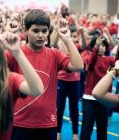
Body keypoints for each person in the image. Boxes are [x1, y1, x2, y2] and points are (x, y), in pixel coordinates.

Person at [6, 9, 83, 140]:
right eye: (35, 31)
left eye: (44, 31)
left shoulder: (54, 54)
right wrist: (7, 34)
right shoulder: (16, 52)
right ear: (25, 31)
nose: (41, 35)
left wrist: (68, 40)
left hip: (47, 123)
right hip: (20, 121)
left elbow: (78, 66)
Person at [80, 36, 115, 140]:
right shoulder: (89, 58)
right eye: (98, 45)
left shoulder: (110, 59)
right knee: (87, 127)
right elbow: (91, 64)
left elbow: (117, 67)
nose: (100, 47)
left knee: (102, 128)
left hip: (103, 98)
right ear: (93, 47)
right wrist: (95, 49)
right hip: (89, 98)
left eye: (103, 45)